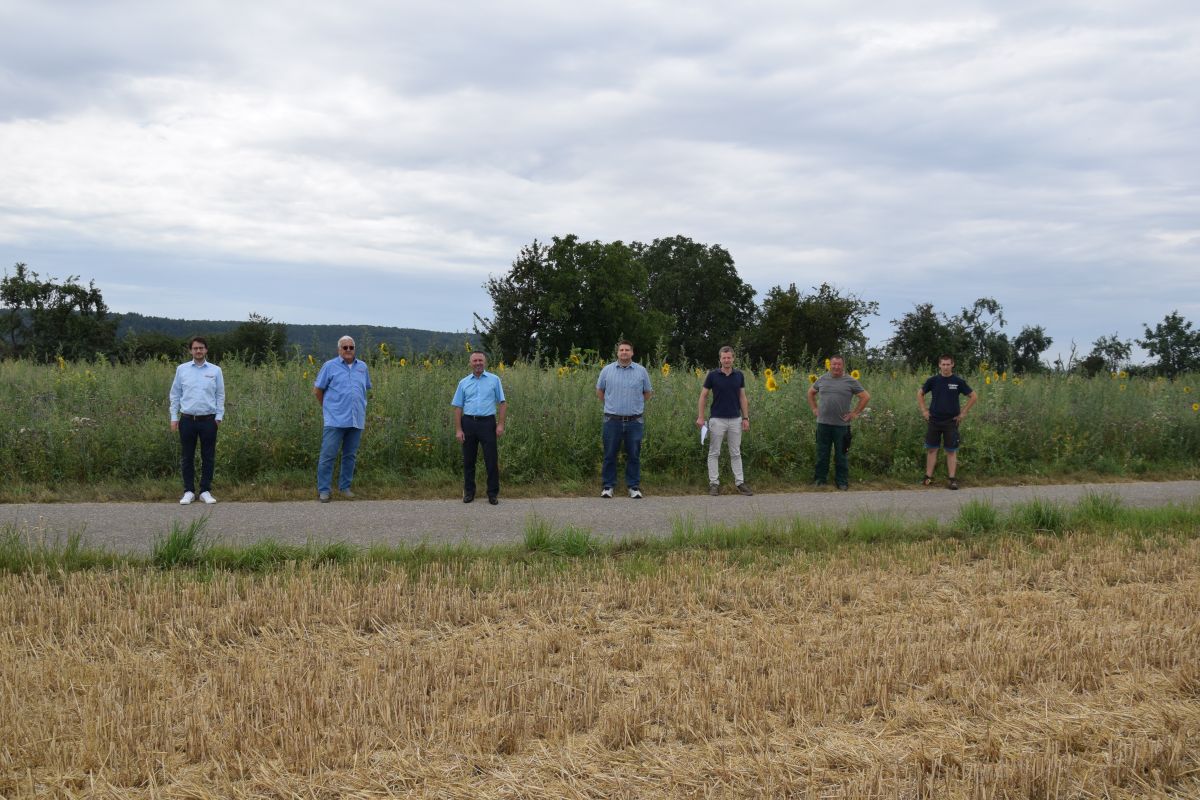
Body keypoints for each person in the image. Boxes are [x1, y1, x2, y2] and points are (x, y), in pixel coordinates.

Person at [313, 335, 371, 502]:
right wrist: (327, 408)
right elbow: (318, 390)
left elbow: (365, 388)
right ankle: (324, 490)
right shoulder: (329, 366)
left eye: (350, 347)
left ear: (354, 349)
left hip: (356, 419)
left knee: (350, 456)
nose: (348, 350)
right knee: (328, 455)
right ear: (339, 349)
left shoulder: (363, 367)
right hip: (335, 420)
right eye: (344, 347)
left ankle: (345, 488)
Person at [169, 336, 225, 505]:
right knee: (187, 457)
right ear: (190, 351)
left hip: (209, 420)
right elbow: (175, 394)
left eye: (201, 348)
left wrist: (219, 417)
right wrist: (173, 417)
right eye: (195, 348)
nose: (198, 351)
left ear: (206, 350)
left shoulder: (215, 370)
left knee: (208, 456)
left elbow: (220, 395)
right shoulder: (182, 369)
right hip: (187, 420)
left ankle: (205, 491)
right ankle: (188, 491)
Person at [596, 340, 653, 498]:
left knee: (634, 454)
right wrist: (613, 405)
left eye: (627, 350)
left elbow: (647, 393)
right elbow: (600, 391)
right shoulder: (607, 370)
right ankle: (608, 486)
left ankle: (633, 487)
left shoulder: (641, 371)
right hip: (611, 420)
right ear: (617, 352)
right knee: (609, 454)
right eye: (621, 350)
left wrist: (634, 405)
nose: (624, 352)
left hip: (635, 421)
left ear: (632, 353)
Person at [806, 354, 869, 490]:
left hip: (842, 425)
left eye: (839, 364)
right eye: (833, 364)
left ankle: (841, 482)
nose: (836, 367)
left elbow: (865, 397)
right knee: (822, 453)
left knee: (841, 455)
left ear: (843, 365)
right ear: (830, 365)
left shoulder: (850, 381)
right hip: (823, 423)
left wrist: (854, 413)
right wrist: (814, 408)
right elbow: (810, 393)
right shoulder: (822, 379)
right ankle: (820, 480)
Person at [452, 351, 507, 504]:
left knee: (491, 460)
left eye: (480, 360)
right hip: (468, 423)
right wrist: (458, 429)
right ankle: (469, 492)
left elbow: (502, 403)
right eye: (475, 360)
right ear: (470, 363)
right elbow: (457, 407)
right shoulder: (463, 383)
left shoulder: (494, 380)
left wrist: (500, 424)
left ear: (485, 362)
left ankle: (492, 493)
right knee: (469, 460)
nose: (478, 363)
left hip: (487, 424)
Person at [696, 345, 752, 496]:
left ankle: (740, 483)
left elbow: (742, 397)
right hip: (717, 420)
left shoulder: (739, 375)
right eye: (724, 358)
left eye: (729, 357)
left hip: (735, 419)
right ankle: (714, 484)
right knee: (714, 453)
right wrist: (701, 416)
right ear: (720, 359)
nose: (726, 360)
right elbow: (703, 396)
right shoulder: (712, 376)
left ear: (733, 358)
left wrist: (745, 418)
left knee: (736, 452)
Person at [918, 354, 979, 490]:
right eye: (943, 364)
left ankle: (952, 479)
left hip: (951, 421)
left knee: (951, 451)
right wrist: (924, 411)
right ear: (939, 365)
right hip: (934, 420)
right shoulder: (933, 380)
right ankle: (928, 477)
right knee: (932, 449)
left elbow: (974, 396)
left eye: (948, 364)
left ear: (952, 365)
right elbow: (920, 393)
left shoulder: (958, 381)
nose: (945, 367)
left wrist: (963, 413)